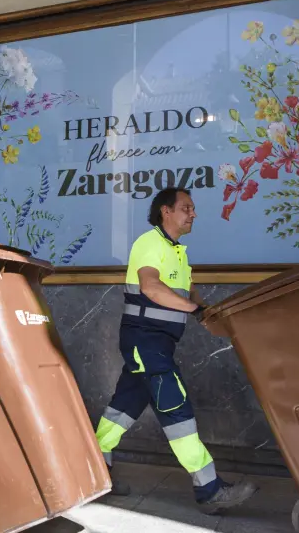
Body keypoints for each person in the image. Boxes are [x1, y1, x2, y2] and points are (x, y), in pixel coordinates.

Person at [94, 187, 257, 514]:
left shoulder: (177, 251)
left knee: (123, 407)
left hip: (157, 342)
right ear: (165, 211)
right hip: (145, 339)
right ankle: (208, 488)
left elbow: (187, 290)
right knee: (174, 404)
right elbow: (151, 287)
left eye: (192, 209)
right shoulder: (149, 243)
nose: (193, 214)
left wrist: (208, 312)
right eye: (187, 208)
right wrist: (195, 311)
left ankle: (93, 473)